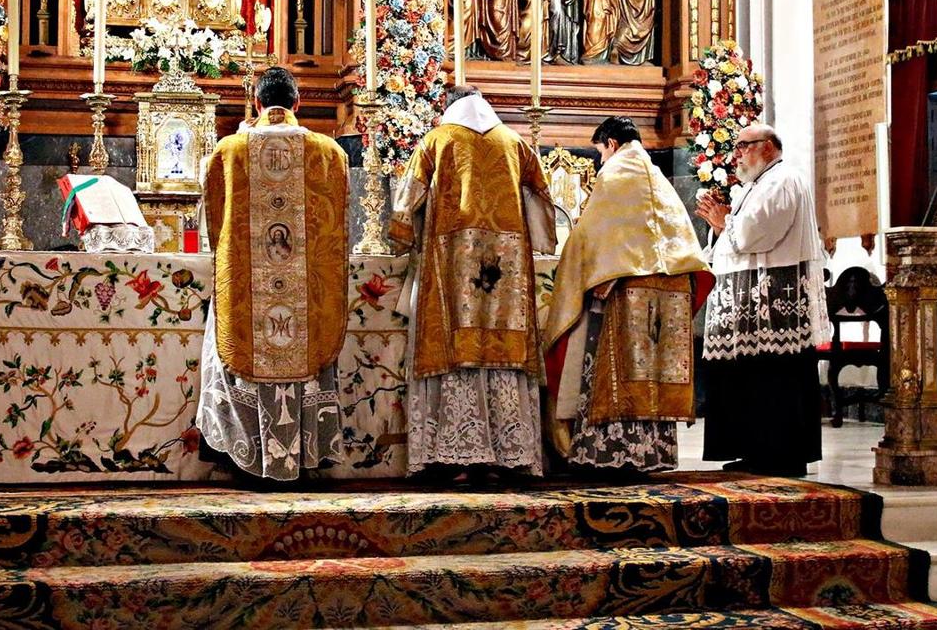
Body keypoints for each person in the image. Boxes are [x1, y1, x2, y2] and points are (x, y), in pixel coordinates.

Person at [389, 84, 555, 479]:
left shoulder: (437, 141)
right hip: (505, 268)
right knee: (502, 348)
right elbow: (543, 201)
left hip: (451, 262)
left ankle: (449, 456)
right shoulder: (515, 144)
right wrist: (542, 241)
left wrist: (401, 237)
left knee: (451, 346)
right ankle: (508, 452)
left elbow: (405, 201)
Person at [196, 66, 349, 481]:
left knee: (233, 344)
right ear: (298, 103)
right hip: (305, 292)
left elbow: (210, 219)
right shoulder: (329, 153)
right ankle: (307, 456)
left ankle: (242, 456)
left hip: (246, 284)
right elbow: (337, 225)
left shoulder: (229, 151)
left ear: (257, 103)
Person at [543, 116, 712, 475]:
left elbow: (588, 236)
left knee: (619, 369)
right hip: (669, 289)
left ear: (612, 144)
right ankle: (653, 453)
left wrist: (576, 271)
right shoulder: (656, 178)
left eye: (600, 151)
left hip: (626, 289)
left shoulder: (616, 174)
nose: (601, 160)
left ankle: (612, 451)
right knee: (652, 372)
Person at [695, 123, 830, 477]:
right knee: (750, 375)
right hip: (751, 300)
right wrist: (719, 221)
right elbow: (732, 237)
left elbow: (757, 233)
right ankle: (755, 449)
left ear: (768, 147)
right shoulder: (757, 185)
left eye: (744, 146)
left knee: (772, 378)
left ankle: (779, 453)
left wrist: (724, 222)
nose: (736, 153)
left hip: (773, 302)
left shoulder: (782, 180)